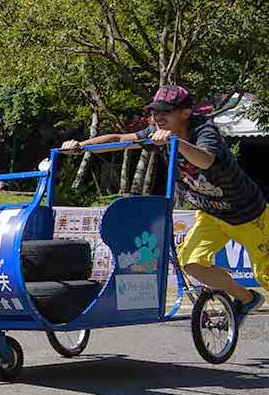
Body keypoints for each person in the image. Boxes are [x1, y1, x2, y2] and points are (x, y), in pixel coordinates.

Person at [61, 84, 267, 324]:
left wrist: (176, 142)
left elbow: (205, 159)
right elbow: (119, 138)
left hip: (249, 215)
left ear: (186, 113)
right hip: (211, 215)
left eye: (165, 112)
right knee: (193, 264)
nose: (158, 117)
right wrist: (81, 146)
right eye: (154, 112)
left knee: (266, 275)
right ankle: (246, 298)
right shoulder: (155, 131)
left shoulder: (204, 130)